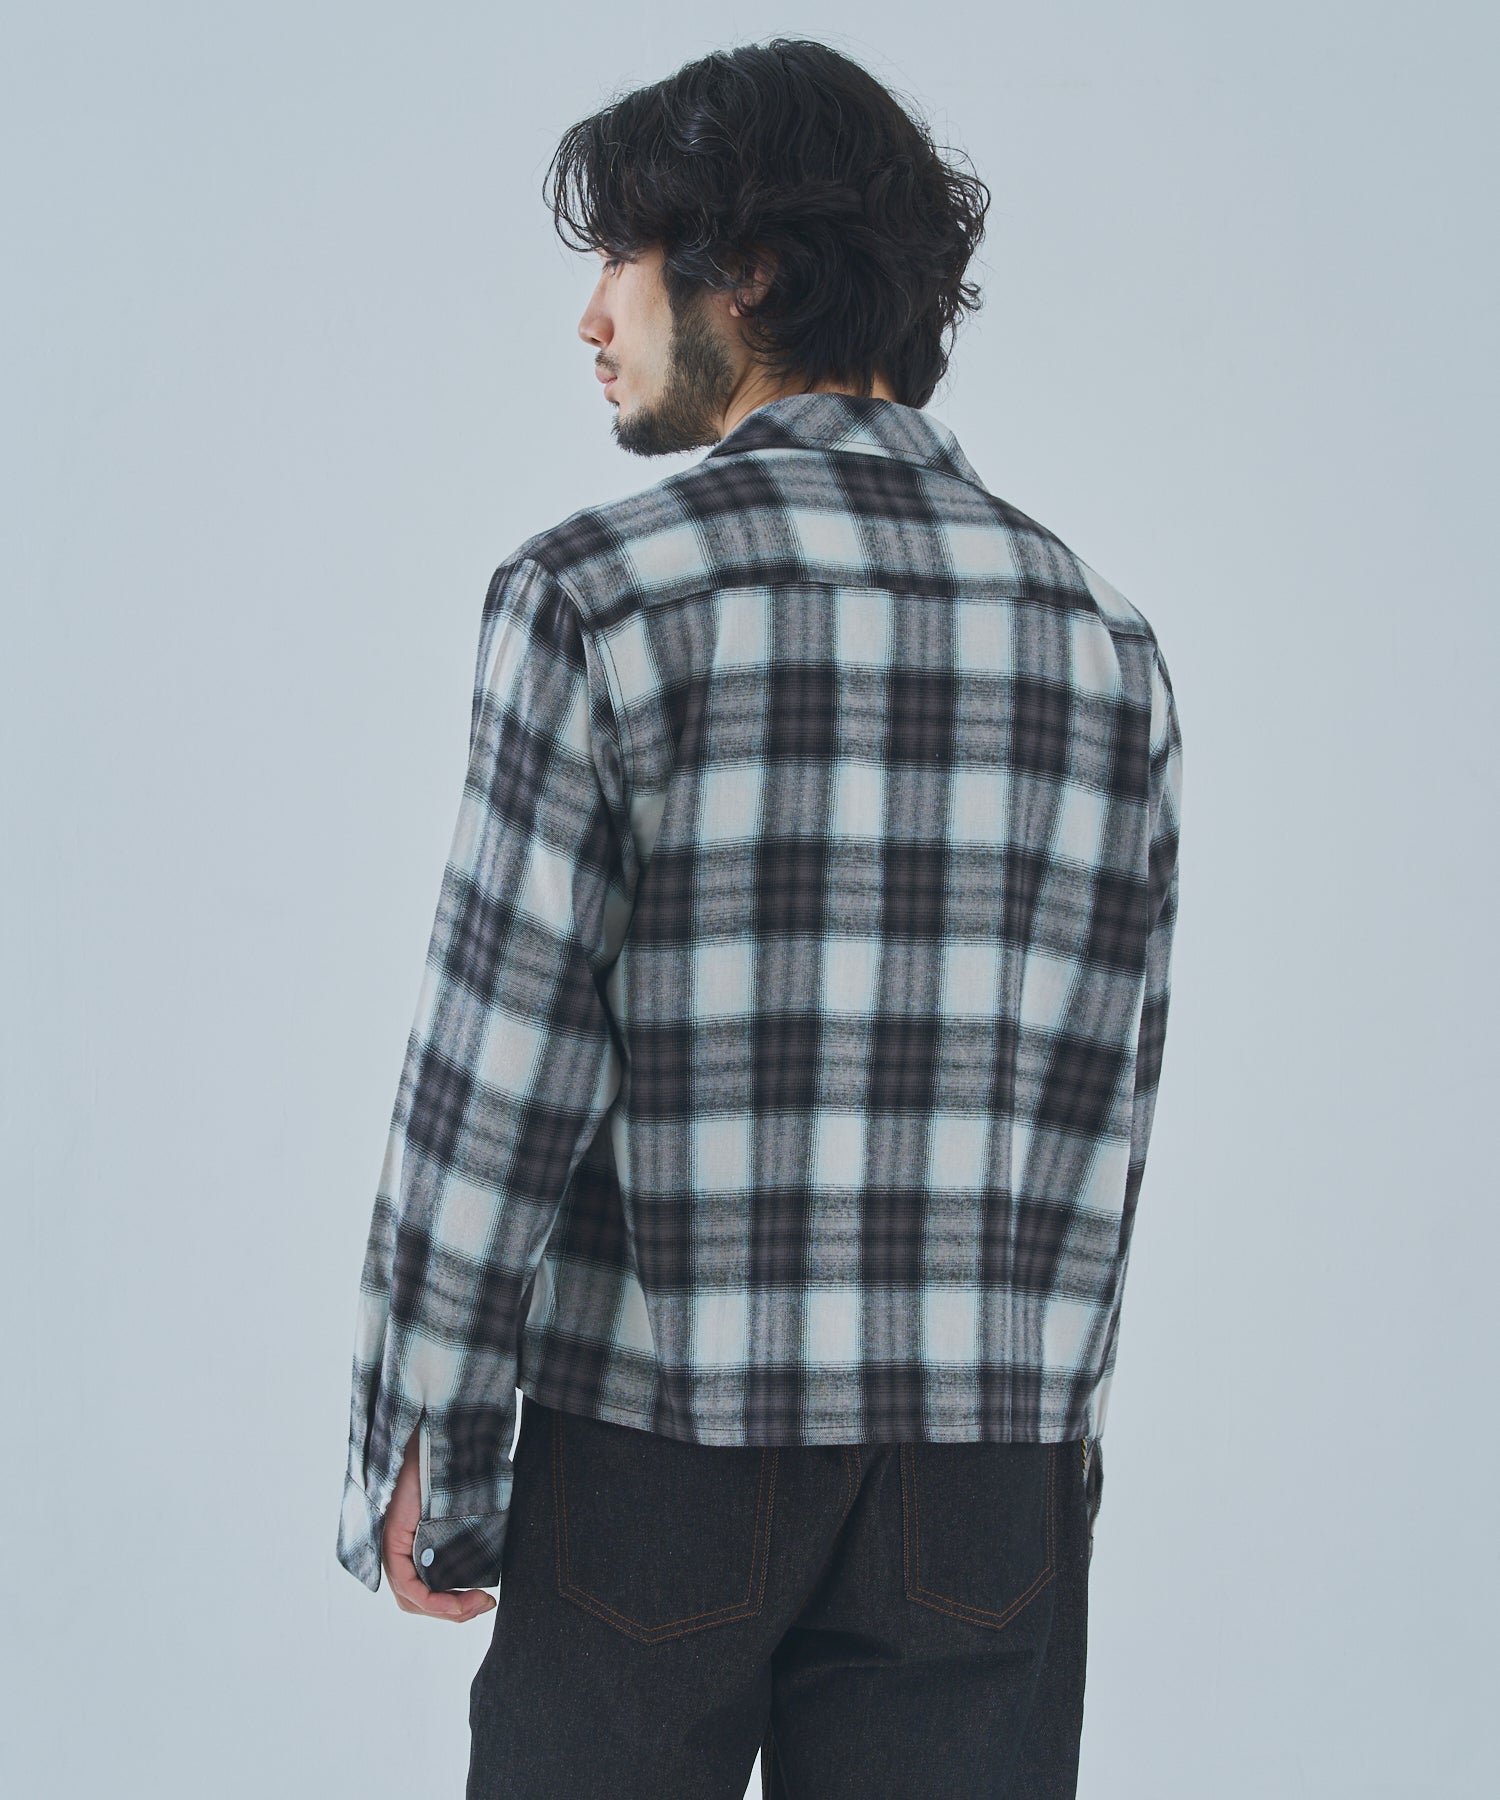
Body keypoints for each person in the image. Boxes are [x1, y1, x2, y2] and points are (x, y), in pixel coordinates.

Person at [335, 36, 1183, 1800]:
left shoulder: (600, 598)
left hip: (664, 1443)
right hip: (985, 1475)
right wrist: (1060, 1457)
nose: (592, 317)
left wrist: (426, 1431)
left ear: (754, 277)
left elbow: (500, 1067)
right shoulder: (1103, 639)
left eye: (621, 260)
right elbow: (1106, 1110)